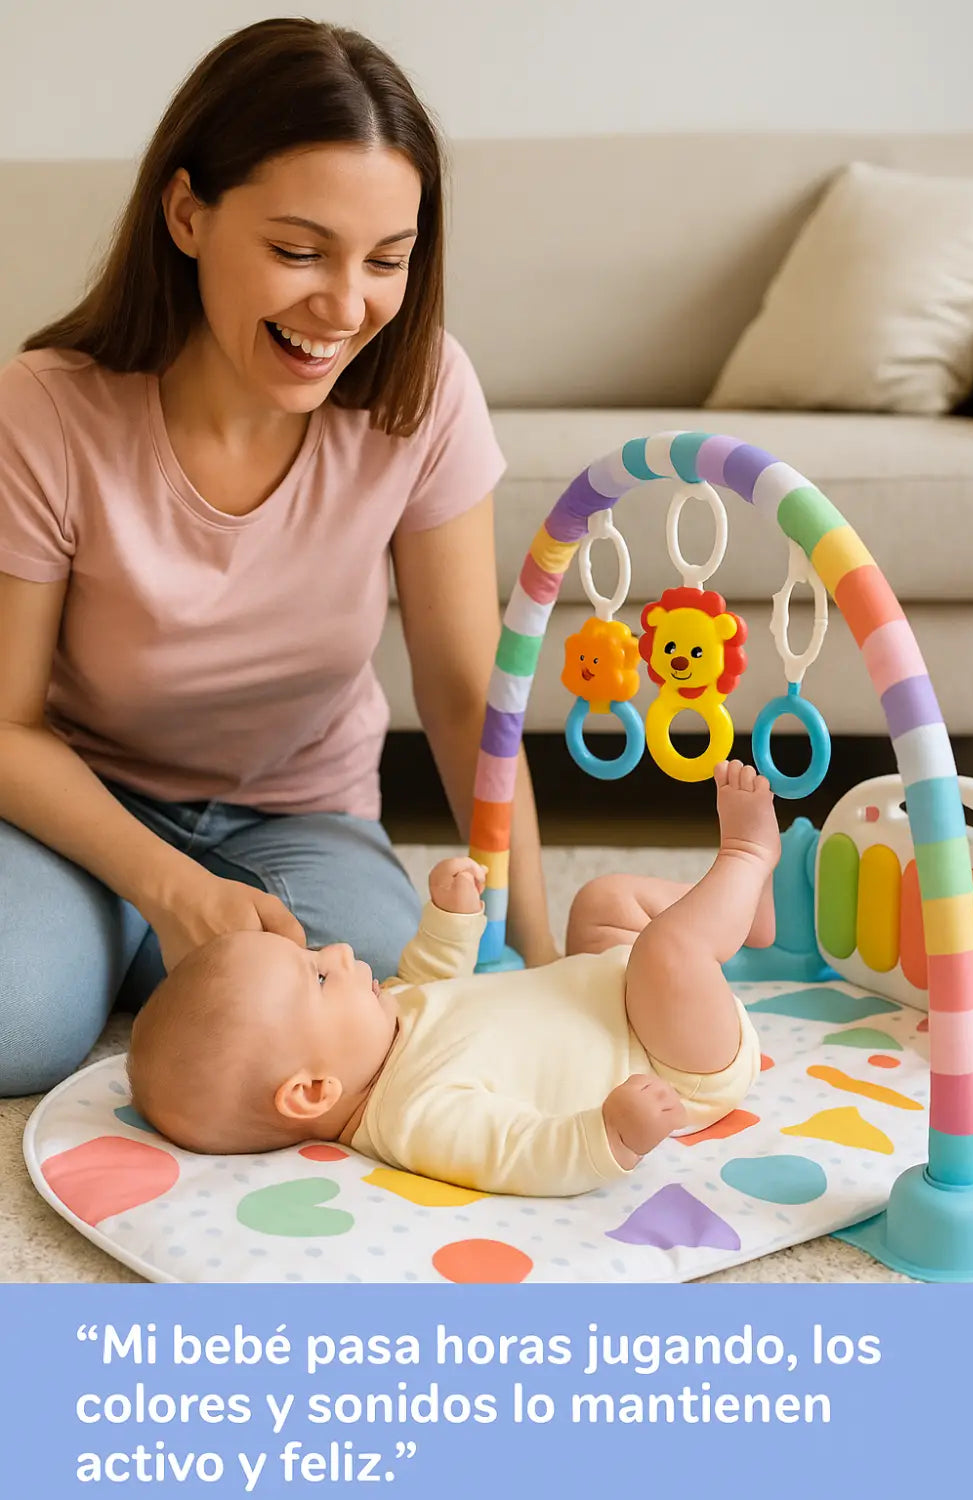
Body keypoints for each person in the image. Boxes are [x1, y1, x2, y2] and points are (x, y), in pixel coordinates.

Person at [0, 19, 556, 1098]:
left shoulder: (425, 393)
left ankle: (158, 957)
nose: (343, 308)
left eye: (385, 261)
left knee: (391, 1006)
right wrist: (165, 884)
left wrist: (537, 949)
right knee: (15, 1026)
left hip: (297, 816)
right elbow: (7, 725)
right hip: (77, 806)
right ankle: (120, 938)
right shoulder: (43, 411)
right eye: (299, 252)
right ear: (188, 214)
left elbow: (463, 696)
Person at [127, 762, 778, 1195]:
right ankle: (748, 860)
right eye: (321, 977)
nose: (345, 952)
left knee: (603, 902)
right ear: (313, 1090)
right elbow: (520, 1152)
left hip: (612, 988)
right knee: (669, 951)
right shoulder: (419, 1117)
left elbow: (433, 979)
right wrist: (610, 1132)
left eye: (318, 954)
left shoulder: (385, 1025)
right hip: (673, 1055)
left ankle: (740, 910)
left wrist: (449, 920)